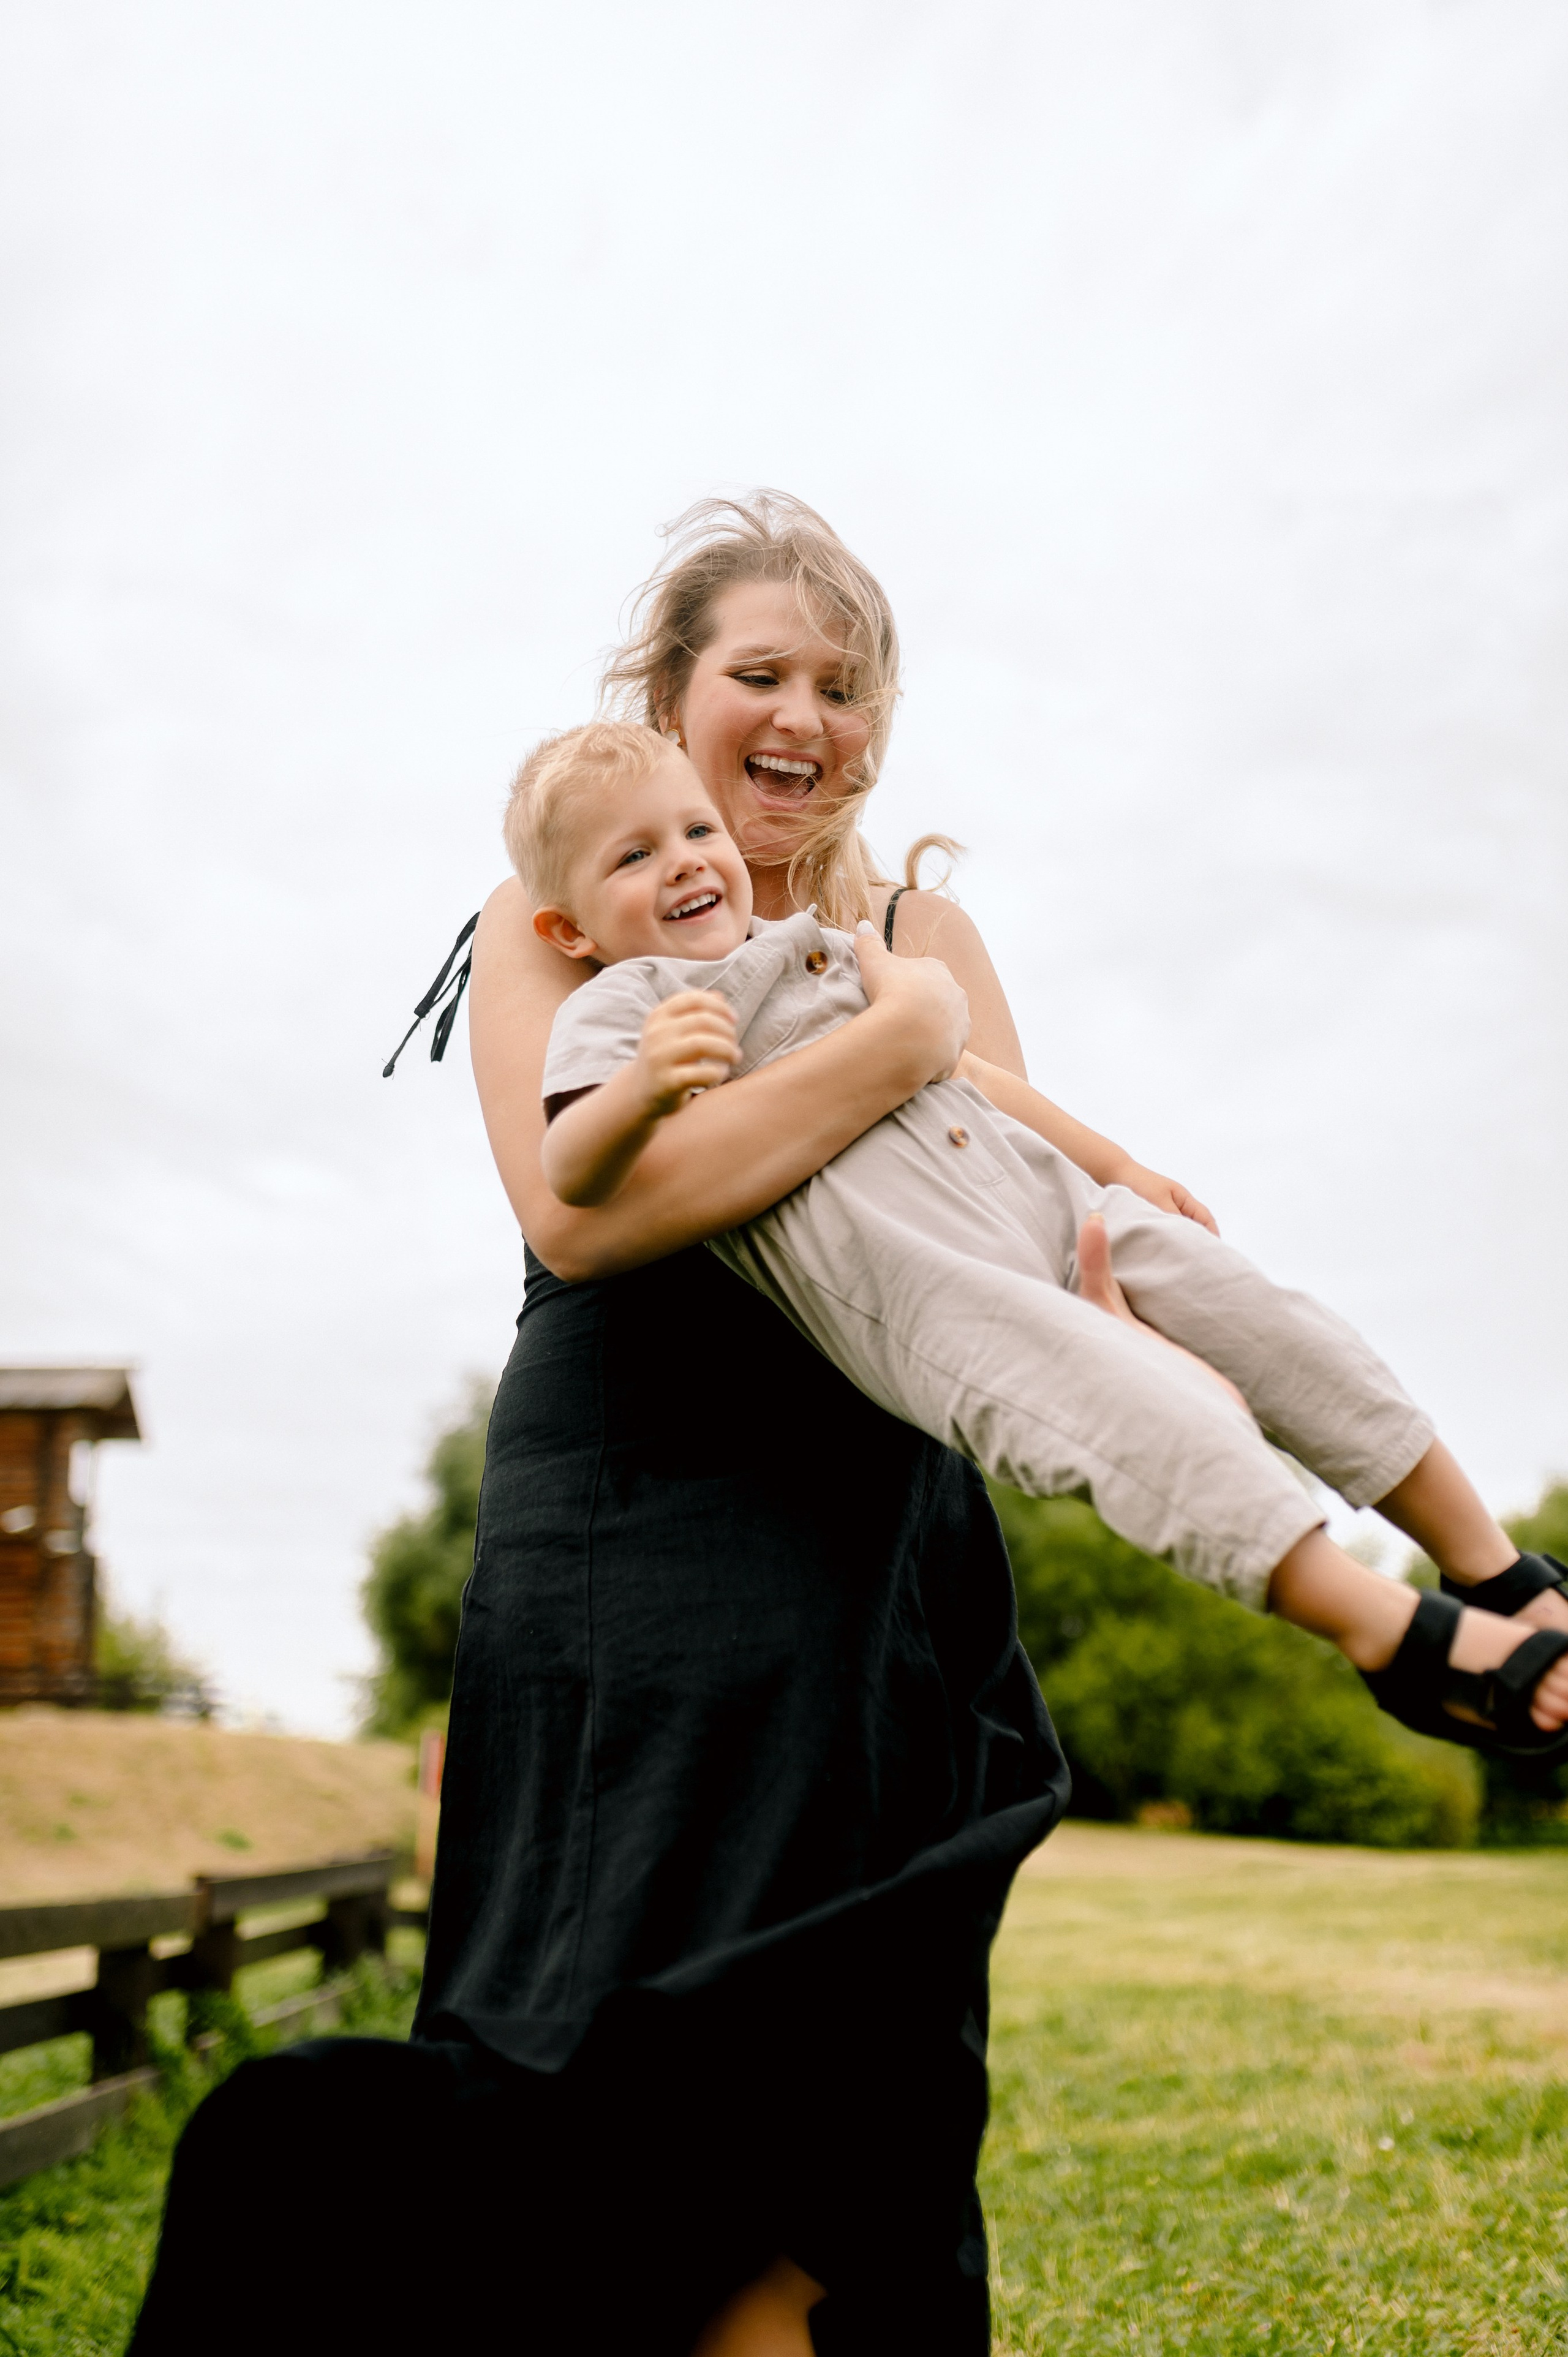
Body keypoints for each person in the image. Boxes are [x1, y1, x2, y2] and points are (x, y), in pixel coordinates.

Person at [132, 494, 1068, 2357]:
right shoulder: (549, 913)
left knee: (850, 2034)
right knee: (584, 1992)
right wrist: (898, 1049)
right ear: (671, 695)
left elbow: (1001, 1223)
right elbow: (582, 1215)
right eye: (762, 673)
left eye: (846, 686)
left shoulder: (922, 930)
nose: (805, 717)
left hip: (868, 1534)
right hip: (621, 1523)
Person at [502, 715, 1568, 1757]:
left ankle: (1494, 1569)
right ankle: (1380, 1625)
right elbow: (572, 1172)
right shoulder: (626, 1006)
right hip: (939, 1294)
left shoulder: (820, 946)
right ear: (570, 932)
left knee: (1272, 1323)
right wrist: (643, 1089)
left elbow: (970, 1072)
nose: (686, 861)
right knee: (1132, 1410)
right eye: (634, 856)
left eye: (697, 831)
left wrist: (1119, 1167)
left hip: (1049, 1205)